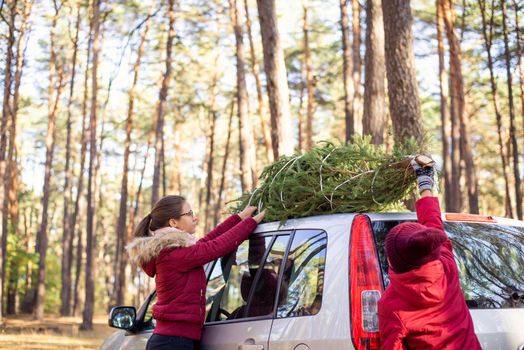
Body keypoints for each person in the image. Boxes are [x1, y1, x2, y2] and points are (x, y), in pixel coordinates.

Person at [126, 195, 265, 350]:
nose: (195, 218)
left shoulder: (175, 251)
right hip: (172, 343)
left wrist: (239, 218)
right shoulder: (172, 254)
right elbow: (215, 247)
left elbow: (207, 242)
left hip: (175, 340)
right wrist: (251, 223)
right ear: (173, 222)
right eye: (189, 213)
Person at [378, 158, 482, 350]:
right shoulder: (446, 268)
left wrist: (424, 181)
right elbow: (432, 225)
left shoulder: (391, 304)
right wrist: (424, 182)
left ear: (393, 261)